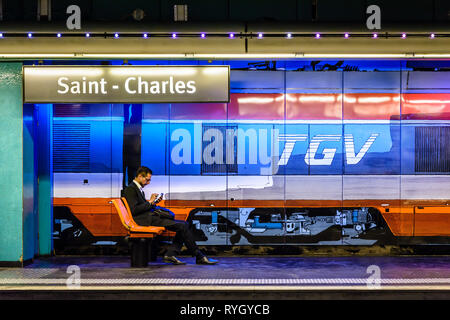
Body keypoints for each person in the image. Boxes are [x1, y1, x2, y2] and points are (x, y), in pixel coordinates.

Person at [123, 166, 218, 265]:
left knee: (184, 225)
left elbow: (141, 207)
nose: (148, 183)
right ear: (139, 176)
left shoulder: (136, 189)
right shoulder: (131, 189)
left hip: (149, 218)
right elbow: (134, 210)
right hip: (145, 220)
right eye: (147, 180)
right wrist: (150, 202)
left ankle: (172, 254)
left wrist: (153, 202)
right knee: (183, 226)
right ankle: (198, 256)